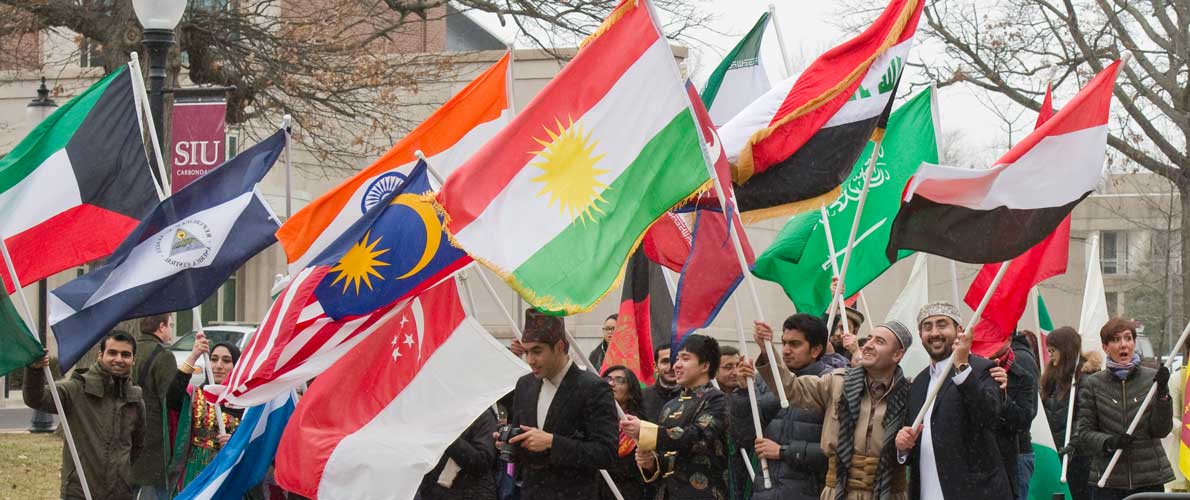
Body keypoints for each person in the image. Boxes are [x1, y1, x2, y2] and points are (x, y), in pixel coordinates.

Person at [741, 320, 916, 500]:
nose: (868, 345)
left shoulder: (912, 393)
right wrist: (767, 351)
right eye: (869, 339)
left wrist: (905, 448)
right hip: (839, 492)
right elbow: (791, 389)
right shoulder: (837, 382)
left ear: (897, 354)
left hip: (888, 493)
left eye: (879, 342)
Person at [894, 301, 1009, 500]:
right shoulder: (918, 383)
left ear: (959, 331)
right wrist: (903, 447)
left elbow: (988, 417)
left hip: (975, 492)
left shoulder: (983, 369)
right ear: (921, 336)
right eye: (927, 327)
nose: (935, 333)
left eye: (942, 324)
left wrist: (962, 367)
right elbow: (918, 439)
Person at [501, 308, 618, 500]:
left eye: (537, 351)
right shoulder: (525, 384)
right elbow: (526, 444)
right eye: (527, 352)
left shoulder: (593, 388)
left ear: (560, 346)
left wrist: (552, 442)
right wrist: (511, 442)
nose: (530, 360)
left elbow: (606, 453)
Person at [24, 330, 146, 500]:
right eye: (112, 353)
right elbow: (36, 399)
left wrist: (122, 473)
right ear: (100, 355)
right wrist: (34, 371)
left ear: (133, 360)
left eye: (125, 354)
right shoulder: (76, 389)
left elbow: (137, 445)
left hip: (120, 494)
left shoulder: (135, 398)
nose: (119, 359)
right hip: (80, 492)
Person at [621, 334, 730, 500]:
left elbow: (697, 436)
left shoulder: (717, 400)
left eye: (685, 359)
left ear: (705, 365)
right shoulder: (669, 406)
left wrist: (645, 431)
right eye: (676, 359)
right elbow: (669, 458)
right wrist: (651, 463)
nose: (676, 365)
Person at [1076, 317, 1174, 499]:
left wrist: (1162, 395)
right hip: (1109, 480)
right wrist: (1109, 442)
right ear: (1105, 347)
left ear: (1134, 343)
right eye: (1115, 339)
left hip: (1149, 480)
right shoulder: (1093, 384)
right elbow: (1084, 434)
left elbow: (1161, 430)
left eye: (1128, 338)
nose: (1123, 345)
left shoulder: (1152, 380)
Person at [747, 313, 833, 500]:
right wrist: (741, 393)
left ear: (816, 350)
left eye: (795, 344)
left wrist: (783, 452)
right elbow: (743, 433)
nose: (786, 350)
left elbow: (835, 452)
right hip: (765, 491)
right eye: (783, 342)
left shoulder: (832, 384)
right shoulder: (764, 379)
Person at [165, 332, 254, 496]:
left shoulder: (247, 402)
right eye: (213, 359)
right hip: (194, 472)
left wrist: (237, 442)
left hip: (228, 473)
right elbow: (172, 399)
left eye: (226, 361)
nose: (218, 365)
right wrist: (193, 356)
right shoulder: (196, 395)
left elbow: (258, 439)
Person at [1040, 326, 1100, 500]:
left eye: (1053, 350)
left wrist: (1074, 443)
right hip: (1056, 454)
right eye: (1048, 350)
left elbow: (1085, 418)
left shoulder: (1085, 380)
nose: (1050, 354)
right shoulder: (1051, 379)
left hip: (1079, 457)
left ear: (1065, 350)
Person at [130, 313, 178, 500]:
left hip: (126, 435)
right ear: (161, 327)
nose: (171, 330)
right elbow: (171, 401)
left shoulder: (130, 351)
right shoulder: (163, 356)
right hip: (153, 440)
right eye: (171, 325)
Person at [989, 333, 1038, 500]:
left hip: (1016, 454)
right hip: (982, 456)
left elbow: (1025, 418)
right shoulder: (972, 368)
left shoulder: (1023, 370)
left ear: (1009, 339)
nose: (992, 342)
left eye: (997, 336)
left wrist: (1002, 395)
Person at [420, 409, 500, 500]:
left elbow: (482, 462)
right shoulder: (435, 413)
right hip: (431, 491)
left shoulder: (482, 414)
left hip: (470, 493)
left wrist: (448, 437)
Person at [601, 365, 647, 500]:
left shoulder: (639, 425)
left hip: (627, 491)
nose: (611, 384)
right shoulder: (592, 419)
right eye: (607, 379)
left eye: (619, 380)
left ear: (631, 391)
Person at [717, 345, 756, 500]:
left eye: (737, 366)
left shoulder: (753, 394)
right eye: (728, 367)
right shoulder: (708, 399)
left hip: (745, 464)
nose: (735, 372)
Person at [641, 344, 681, 423]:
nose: (671, 367)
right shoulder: (641, 397)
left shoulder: (694, 396)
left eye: (676, 361)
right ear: (655, 367)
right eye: (665, 362)